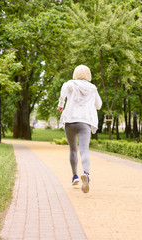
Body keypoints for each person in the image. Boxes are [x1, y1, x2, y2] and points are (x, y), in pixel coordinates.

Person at [57, 65, 102, 193]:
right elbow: (99, 105)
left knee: (72, 149)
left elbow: (64, 89)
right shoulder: (92, 88)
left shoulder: (71, 84)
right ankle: (86, 174)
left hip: (70, 120)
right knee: (84, 151)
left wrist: (61, 104)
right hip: (85, 121)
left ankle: (75, 176)